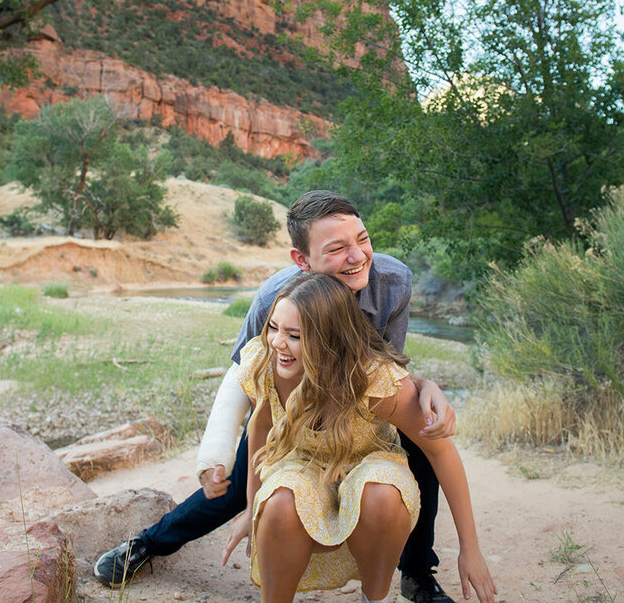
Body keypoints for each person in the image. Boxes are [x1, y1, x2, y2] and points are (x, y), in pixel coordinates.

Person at [94, 191, 462, 603]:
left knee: (420, 442)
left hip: (357, 407)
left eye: (362, 239)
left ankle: (417, 574)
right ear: (301, 261)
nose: (357, 256)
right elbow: (242, 374)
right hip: (293, 403)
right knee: (232, 485)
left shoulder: (392, 282)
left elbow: (390, 364)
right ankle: (148, 544)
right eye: (337, 249)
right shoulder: (276, 299)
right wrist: (214, 453)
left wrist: (427, 388)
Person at [221, 271, 496, 603]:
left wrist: (471, 549)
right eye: (274, 328)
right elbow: (260, 429)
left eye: (294, 334)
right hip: (305, 466)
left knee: (379, 492)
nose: (278, 342)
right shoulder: (267, 362)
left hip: (370, 464)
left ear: (328, 338)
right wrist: (252, 508)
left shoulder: (372, 377)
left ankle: (375, 597)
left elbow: (441, 452)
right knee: (279, 502)